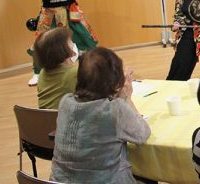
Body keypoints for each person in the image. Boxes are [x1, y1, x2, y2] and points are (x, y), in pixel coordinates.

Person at [51, 47, 151, 184]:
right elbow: (142, 134)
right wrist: (126, 97)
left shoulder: (65, 102)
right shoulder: (114, 108)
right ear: (115, 82)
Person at [34, 27, 78, 109]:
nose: (73, 44)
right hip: (63, 116)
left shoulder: (43, 72)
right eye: (70, 41)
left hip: (45, 116)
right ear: (61, 48)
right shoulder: (73, 73)